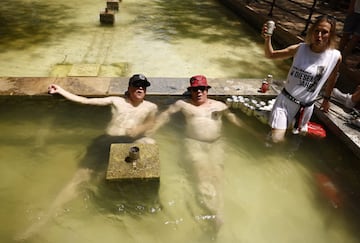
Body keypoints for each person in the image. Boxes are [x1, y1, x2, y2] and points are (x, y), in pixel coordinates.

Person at [17, 74, 158, 240]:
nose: (140, 88)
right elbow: (86, 101)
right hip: (105, 142)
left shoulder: (150, 107)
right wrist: (62, 91)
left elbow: (151, 124)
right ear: (129, 88)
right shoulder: (117, 101)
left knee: (149, 142)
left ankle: (131, 201)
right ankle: (45, 219)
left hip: (126, 145)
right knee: (79, 180)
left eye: (143, 86)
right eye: (136, 85)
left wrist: (140, 128)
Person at [150, 75, 254, 231]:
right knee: (203, 176)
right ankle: (210, 212)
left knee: (218, 177)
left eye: (201, 89)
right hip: (194, 143)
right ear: (191, 91)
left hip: (217, 144)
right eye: (195, 89)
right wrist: (151, 131)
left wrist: (254, 133)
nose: (198, 92)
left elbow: (233, 119)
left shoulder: (219, 105)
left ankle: (219, 212)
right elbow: (166, 115)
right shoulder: (183, 105)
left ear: (207, 90)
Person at [262, 15, 342, 143]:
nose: (319, 36)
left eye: (324, 32)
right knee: (277, 140)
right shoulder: (300, 49)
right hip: (285, 102)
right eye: (317, 31)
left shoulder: (335, 57)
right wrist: (267, 38)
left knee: (293, 140)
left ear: (331, 35)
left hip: (306, 108)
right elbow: (270, 55)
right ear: (312, 31)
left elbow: (332, 78)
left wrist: (326, 99)